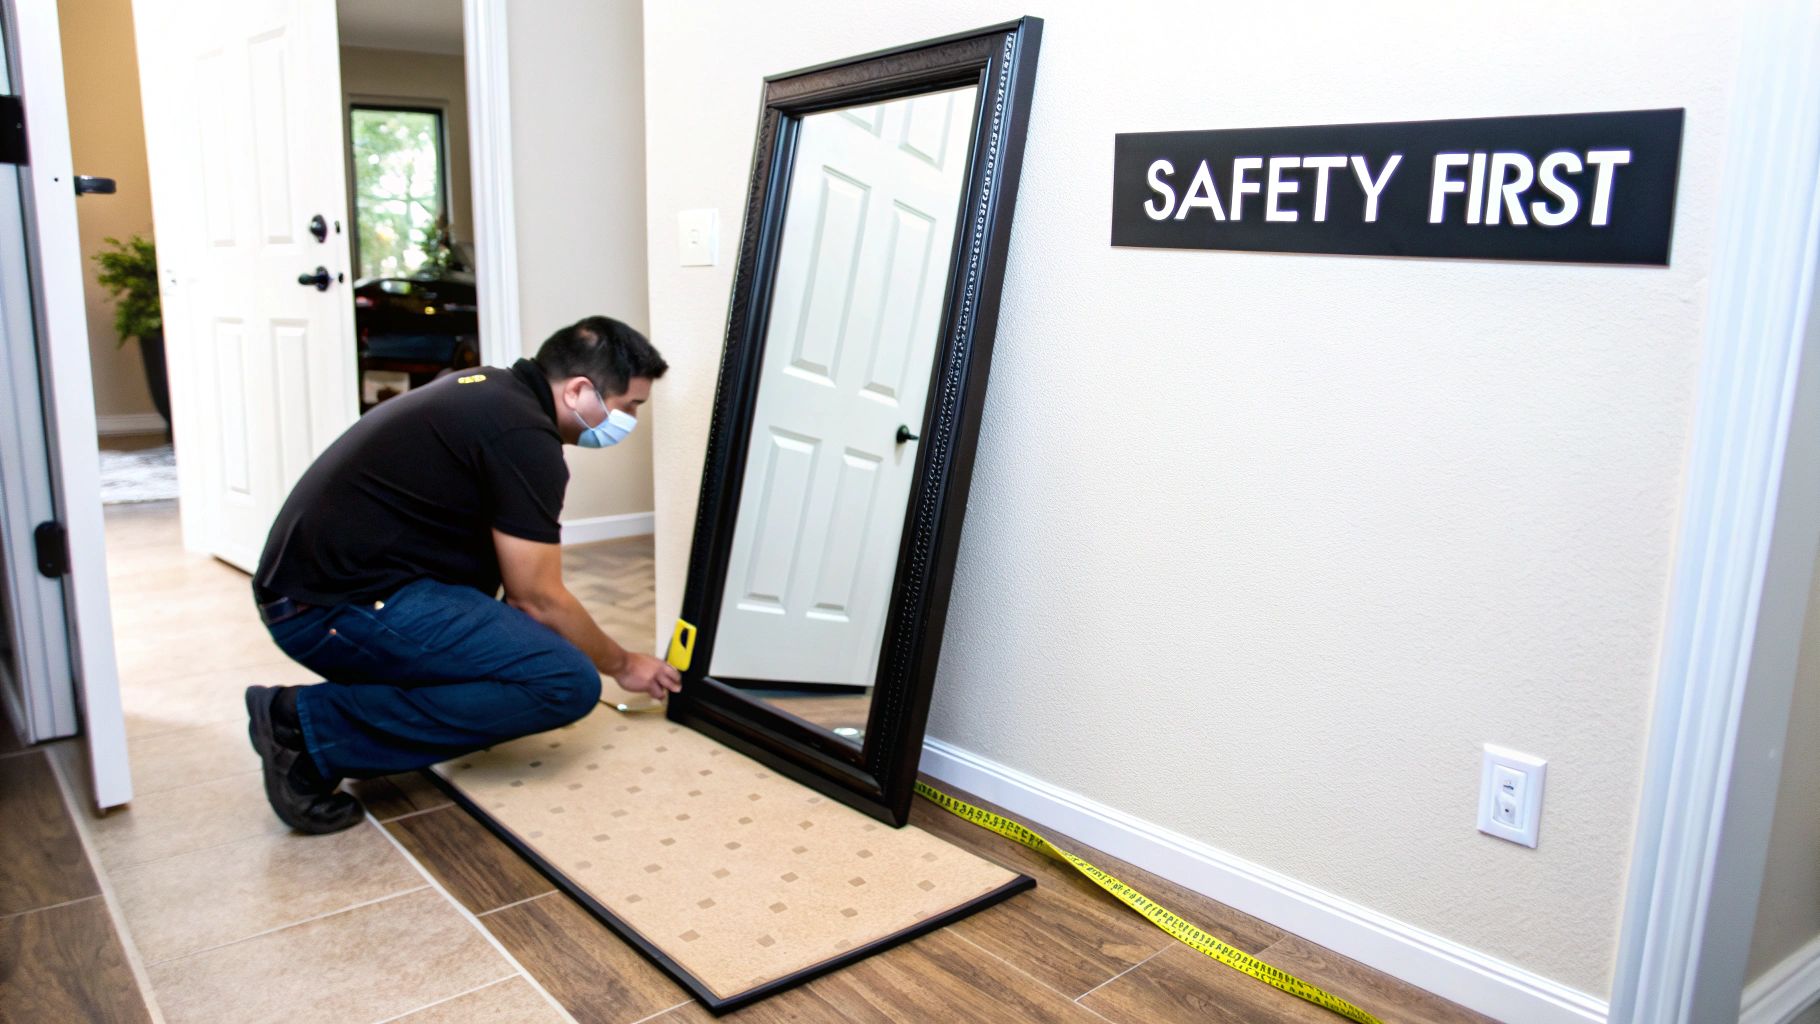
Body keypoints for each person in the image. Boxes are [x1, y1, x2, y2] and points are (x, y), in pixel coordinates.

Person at [244, 315, 681, 834]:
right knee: (564, 681)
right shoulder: (525, 437)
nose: (629, 420)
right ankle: (306, 729)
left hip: (314, 591)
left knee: (525, 643)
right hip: (328, 609)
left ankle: (345, 715)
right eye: (630, 406)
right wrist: (623, 662)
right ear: (580, 390)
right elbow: (537, 598)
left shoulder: (490, 390)